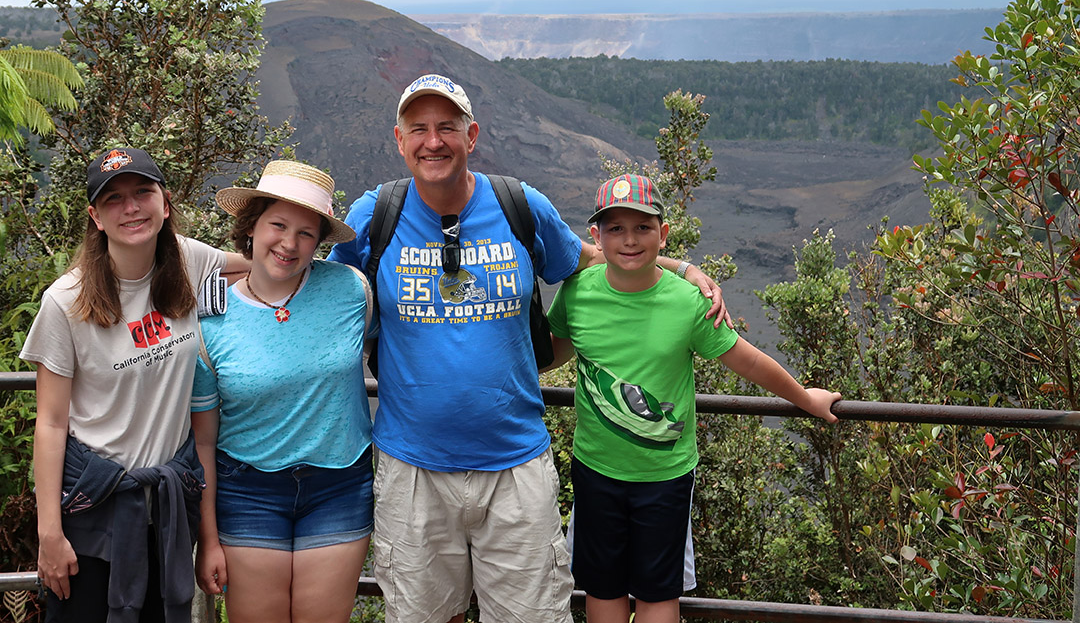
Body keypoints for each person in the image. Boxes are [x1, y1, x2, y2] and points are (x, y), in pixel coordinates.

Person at [327, 72, 729, 623]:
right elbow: (315, 287)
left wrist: (681, 267)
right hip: (413, 468)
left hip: (515, 466)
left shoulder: (519, 206)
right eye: (418, 128)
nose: (433, 140)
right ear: (399, 140)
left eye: (447, 126)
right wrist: (227, 274)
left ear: (472, 135)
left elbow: (593, 256)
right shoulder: (375, 216)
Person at [547, 173, 842, 623]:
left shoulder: (689, 304)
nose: (629, 240)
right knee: (601, 588)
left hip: (664, 479)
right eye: (616, 229)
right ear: (596, 236)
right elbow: (556, 348)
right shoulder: (577, 293)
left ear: (663, 235)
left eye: (643, 228)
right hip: (594, 471)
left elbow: (748, 361)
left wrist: (805, 398)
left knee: (657, 592)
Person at [20, 147, 246, 623]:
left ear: (165, 202)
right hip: (94, 509)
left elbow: (263, 266)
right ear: (95, 217)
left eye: (143, 192)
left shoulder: (189, 260)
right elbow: (52, 422)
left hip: (166, 508)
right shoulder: (66, 302)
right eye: (114, 199)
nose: (131, 208)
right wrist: (49, 533)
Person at [191, 160, 374, 623]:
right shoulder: (210, 315)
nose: (289, 244)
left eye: (307, 233)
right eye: (277, 225)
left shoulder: (351, 290)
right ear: (251, 226)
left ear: (320, 243)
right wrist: (208, 538)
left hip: (339, 484)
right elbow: (204, 441)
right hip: (246, 489)